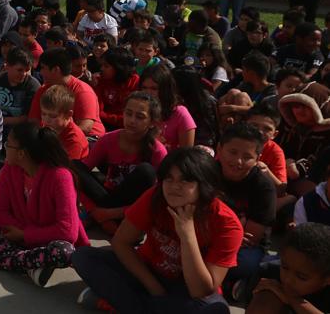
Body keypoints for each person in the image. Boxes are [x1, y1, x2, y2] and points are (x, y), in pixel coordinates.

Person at [72, 148, 243, 314]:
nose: (174, 186)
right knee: (83, 256)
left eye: (185, 180)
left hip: (186, 289)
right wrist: (154, 288)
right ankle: (142, 304)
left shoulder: (226, 223)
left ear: (205, 186)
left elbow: (200, 290)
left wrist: (187, 235)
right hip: (148, 272)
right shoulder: (156, 196)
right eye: (169, 179)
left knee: (215, 310)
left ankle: (119, 302)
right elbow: (121, 242)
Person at [0, 123, 89, 287]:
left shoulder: (60, 177)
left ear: (21, 153)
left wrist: (25, 234)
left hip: (46, 241)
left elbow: (68, 232)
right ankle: (29, 266)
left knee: (64, 252)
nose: (5, 147)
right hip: (16, 236)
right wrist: (17, 231)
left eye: (8, 144)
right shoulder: (11, 169)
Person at [73, 92, 167, 235]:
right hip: (107, 197)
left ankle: (107, 219)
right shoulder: (108, 140)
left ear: (152, 123)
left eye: (140, 117)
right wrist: (94, 210)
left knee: (146, 171)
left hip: (133, 209)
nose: (132, 120)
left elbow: (158, 198)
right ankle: (101, 218)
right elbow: (81, 174)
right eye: (128, 114)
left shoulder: (157, 151)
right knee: (74, 167)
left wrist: (110, 214)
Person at [215, 123, 276, 291]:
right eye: (232, 152)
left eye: (247, 156)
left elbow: (250, 238)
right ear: (219, 149)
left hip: (243, 246)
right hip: (207, 234)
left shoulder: (264, 187)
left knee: (245, 262)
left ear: (258, 159)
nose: (238, 161)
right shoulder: (207, 173)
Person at [246, 223, 330, 314]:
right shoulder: (269, 274)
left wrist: (293, 300)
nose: (288, 280)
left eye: (301, 277)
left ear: (327, 279)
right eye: (285, 267)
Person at [29, 47, 106, 139]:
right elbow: (34, 121)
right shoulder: (43, 90)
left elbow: (86, 127)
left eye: (43, 68)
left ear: (56, 70)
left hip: (88, 138)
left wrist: (53, 138)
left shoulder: (83, 91)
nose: (40, 72)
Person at [0, 48, 40, 140]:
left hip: (19, 133)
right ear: (7, 66)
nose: (24, 74)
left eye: (27, 70)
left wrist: (2, 120)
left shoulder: (32, 86)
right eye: (19, 70)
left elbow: (27, 118)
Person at [140, 64, 196, 150]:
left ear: (165, 90)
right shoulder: (138, 110)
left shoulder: (180, 114)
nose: (148, 93)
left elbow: (186, 153)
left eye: (154, 88)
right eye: (144, 88)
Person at [94, 47, 140, 131]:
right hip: (104, 125)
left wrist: (106, 116)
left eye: (106, 66)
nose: (102, 69)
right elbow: (97, 111)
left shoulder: (134, 82)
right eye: (102, 65)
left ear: (119, 67)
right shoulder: (101, 80)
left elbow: (132, 116)